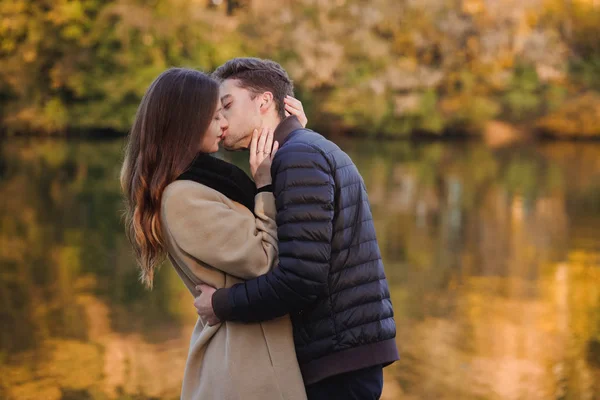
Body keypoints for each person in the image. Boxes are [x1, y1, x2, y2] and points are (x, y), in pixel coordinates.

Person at [195, 57, 399, 400]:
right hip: (341, 354)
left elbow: (302, 277)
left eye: (227, 105)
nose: (220, 120)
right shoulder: (302, 150)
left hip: (336, 363)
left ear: (264, 102)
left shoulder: (299, 156)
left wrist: (222, 305)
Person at [120, 67, 309, 400]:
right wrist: (264, 184)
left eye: (224, 112)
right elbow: (264, 259)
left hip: (256, 350)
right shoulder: (183, 198)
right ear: (185, 125)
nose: (224, 124)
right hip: (245, 365)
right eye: (214, 116)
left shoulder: (206, 182)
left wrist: (293, 139)